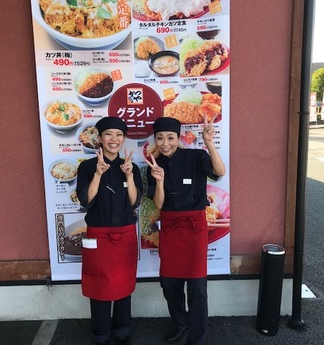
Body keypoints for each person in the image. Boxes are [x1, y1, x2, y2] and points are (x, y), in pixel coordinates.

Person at [145, 116, 226, 345]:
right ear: (155, 139)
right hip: (170, 227)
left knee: (197, 287)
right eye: (160, 138)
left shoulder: (195, 156)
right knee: (169, 284)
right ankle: (180, 321)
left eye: (170, 137)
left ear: (178, 138)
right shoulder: (153, 163)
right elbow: (159, 204)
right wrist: (159, 181)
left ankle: (197, 337)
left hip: (195, 227)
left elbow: (219, 171)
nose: (165, 143)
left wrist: (209, 142)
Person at [76, 116, 143, 345]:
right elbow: (86, 200)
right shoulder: (86, 167)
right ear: (100, 138)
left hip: (125, 235)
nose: (114, 139)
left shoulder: (130, 167)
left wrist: (129, 176)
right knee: (99, 284)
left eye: (119, 135)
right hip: (98, 235)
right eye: (108, 134)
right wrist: (98, 174)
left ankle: (122, 330)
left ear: (124, 139)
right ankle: (101, 333)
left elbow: (134, 203)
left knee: (123, 284)